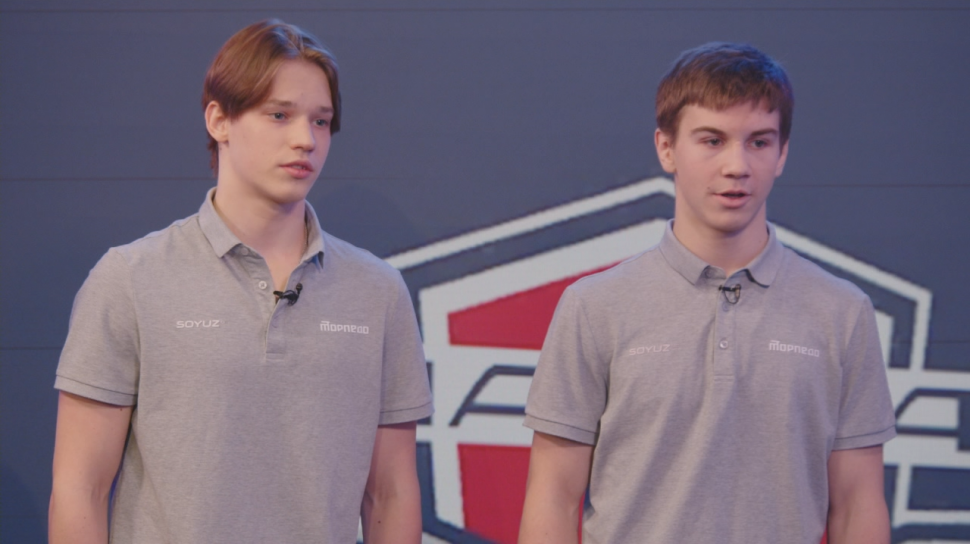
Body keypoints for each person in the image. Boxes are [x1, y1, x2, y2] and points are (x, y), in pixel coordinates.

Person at [48, 19, 431, 544]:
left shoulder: (377, 291)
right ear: (219, 120)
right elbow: (81, 488)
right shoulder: (131, 279)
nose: (305, 140)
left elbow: (391, 493)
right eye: (279, 115)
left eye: (321, 122)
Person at [518, 42, 895, 544]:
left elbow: (858, 504)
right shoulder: (594, 307)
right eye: (712, 140)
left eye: (759, 142)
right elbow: (554, 495)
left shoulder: (841, 313)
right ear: (666, 148)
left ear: (782, 153)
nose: (737, 165)